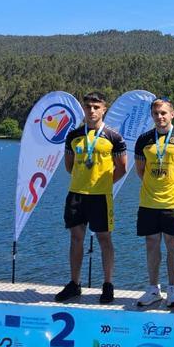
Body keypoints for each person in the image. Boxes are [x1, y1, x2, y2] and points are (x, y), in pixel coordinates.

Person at [55, 92, 127, 303]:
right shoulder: (73, 135)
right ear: (84, 109)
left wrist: (103, 184)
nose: (92, 110)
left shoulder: (114, 137)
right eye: (88, 107)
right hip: (76, 195)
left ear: (104, 109)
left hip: (100, 197)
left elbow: (122, 168)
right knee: (76, 238)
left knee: (105, 239)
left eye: (96, 107)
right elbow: (69, 166)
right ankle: (75, 284)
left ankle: (107, 284)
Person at [133, 98, 174, 308]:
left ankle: (172, 289)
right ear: (152, 116)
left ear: (172, 114)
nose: (160, 117)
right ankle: (153, 289)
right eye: (156, 113)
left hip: (173, 202)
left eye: (163, 113)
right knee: (151, 243)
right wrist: (155, 187)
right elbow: (140, 171)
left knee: (173, 244)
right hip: (149, 202)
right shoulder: (144, 140)